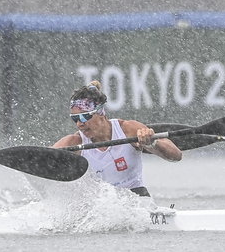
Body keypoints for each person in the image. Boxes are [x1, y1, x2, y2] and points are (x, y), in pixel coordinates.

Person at [52, 80, 182, 197]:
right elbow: (42, 159)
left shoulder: (127, 129)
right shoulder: (74, 142)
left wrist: (152, 143)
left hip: (136, 198)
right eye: (75, 118)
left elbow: (176, 155)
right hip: (101, 205)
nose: (79, 124)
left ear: (100, 113)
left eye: (84, 117)